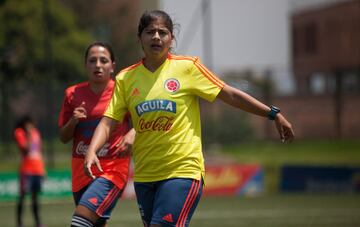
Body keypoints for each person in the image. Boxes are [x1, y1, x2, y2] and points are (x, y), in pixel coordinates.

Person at [84, 10, 295, 227]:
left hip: (183, 171)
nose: (156, 37)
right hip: (145, 177)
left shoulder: (187, 67)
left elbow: (229, 93)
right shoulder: (126, 78)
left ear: (171, 39)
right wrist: (92, 151)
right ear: (140, 37)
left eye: (162, 32)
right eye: (150, 32)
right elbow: (108, 121)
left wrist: (273, 113)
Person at [58, 41, 135, 227]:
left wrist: (133, 133)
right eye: (92, 60)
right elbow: (63, 137)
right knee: (94, 223)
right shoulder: (72, 94)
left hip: (112, 168)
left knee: (81, 220)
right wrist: (73, 121)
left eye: (103, 60)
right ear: (85, 65)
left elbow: (144, 120)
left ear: (112, 66)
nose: (98, 65)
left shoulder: (123, 91)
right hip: (81, 170)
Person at [14, 115, 46, 227]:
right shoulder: (20, 132)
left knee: (35, 198)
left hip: (38, 169)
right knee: (22, 196)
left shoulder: (36, 132)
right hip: (26, 170)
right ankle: (19, 223)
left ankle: (38, 223)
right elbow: (25, 150)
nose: (31, 125)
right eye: (30, 123)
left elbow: (39, 151)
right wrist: (28, 135)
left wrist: (43, 169)